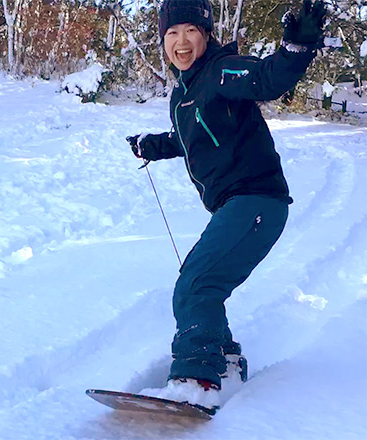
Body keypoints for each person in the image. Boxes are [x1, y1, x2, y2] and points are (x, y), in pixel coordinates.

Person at [128, 0, 327, 414]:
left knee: (195, 285)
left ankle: (195, 380)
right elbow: (190, 138)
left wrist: (297, 47)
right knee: (202, 282)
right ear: (162, 40)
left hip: (256, 199)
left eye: (190, 31)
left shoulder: (222, 70)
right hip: (236, 205)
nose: (181, 41)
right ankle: (227, 361)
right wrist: (153, 144)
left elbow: (266, 80)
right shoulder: (184, 91)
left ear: (206, 34)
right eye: (171, 33)